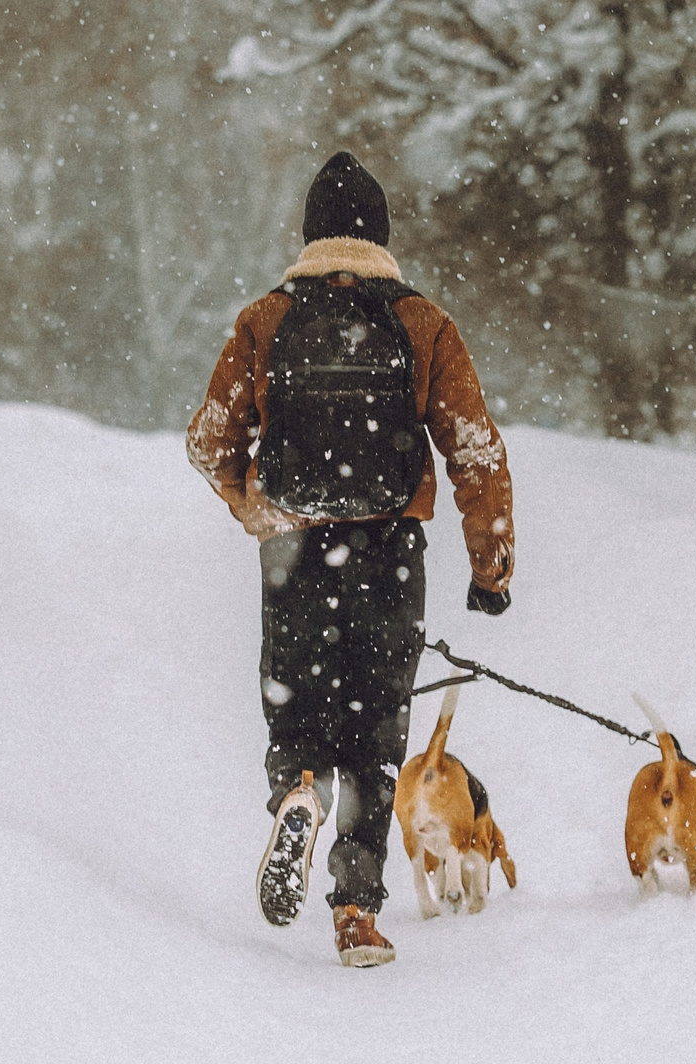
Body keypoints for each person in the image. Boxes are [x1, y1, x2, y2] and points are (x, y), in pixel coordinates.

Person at [186, 152, 515, 968]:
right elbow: (475, 451)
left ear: (310, 236)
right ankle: (357, 912)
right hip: (390, 554)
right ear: (380, 236)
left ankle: (298, 785)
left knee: (299, 710)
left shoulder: (267, 319)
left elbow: (208, 440)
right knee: (375, 735)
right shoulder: (422, 322)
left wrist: (260, 511)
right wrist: (490, 568)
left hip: (295, 551)